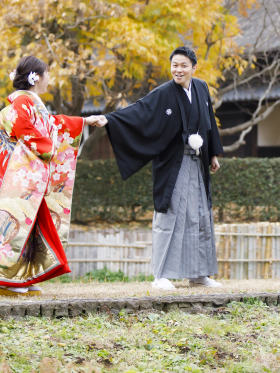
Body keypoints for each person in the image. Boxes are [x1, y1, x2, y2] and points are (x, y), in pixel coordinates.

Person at [91, 46, 224, 290]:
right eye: (175, 65)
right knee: (169, 215)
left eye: (184, 65)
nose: (178, 70)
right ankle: (161, 274)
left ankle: (199, 274)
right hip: (173, 163)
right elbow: (140, 110)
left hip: (197, 161)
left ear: (194, 68)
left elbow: (209, 122)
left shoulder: (202, 88)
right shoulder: (164, 92)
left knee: (199, 215)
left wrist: (213, 153)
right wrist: (110, 119)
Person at [0, 55, 99, 297]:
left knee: (29, 227)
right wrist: (49, 148)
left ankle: (23, 276)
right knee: (13, 226)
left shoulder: (30, 102)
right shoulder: (23, 102)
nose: (49, 78)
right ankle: (4, 280)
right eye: (47, 74)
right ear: (36, 77)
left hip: (25, 176)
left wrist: (84, 121)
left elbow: (53, 124)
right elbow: (26, 129)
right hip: (14, 176)